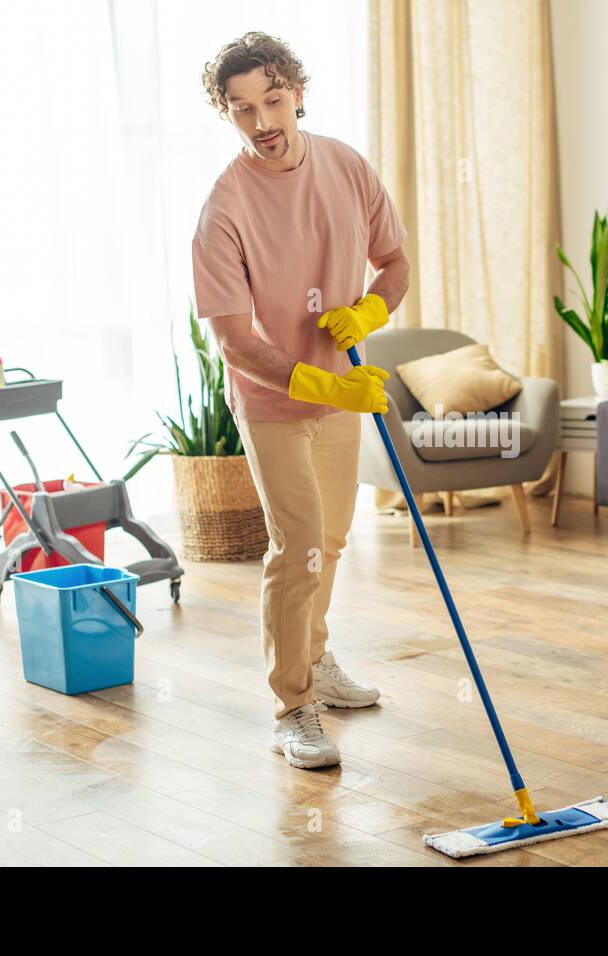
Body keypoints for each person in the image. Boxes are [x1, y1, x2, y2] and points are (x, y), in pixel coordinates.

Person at [191, 32, 410, 770]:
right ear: (228, 114)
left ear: (298, 93)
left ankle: (316, 659)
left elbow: (395, 263)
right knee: (299, 547)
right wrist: (321, 383)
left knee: (336, 539)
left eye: (273, 101)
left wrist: (372, 314)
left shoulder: (346, 166)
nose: (262, 123)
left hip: (343, 393)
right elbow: (233, 340)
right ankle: (293, 706)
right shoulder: (223, 209)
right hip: (275, 403)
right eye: (242, 109)